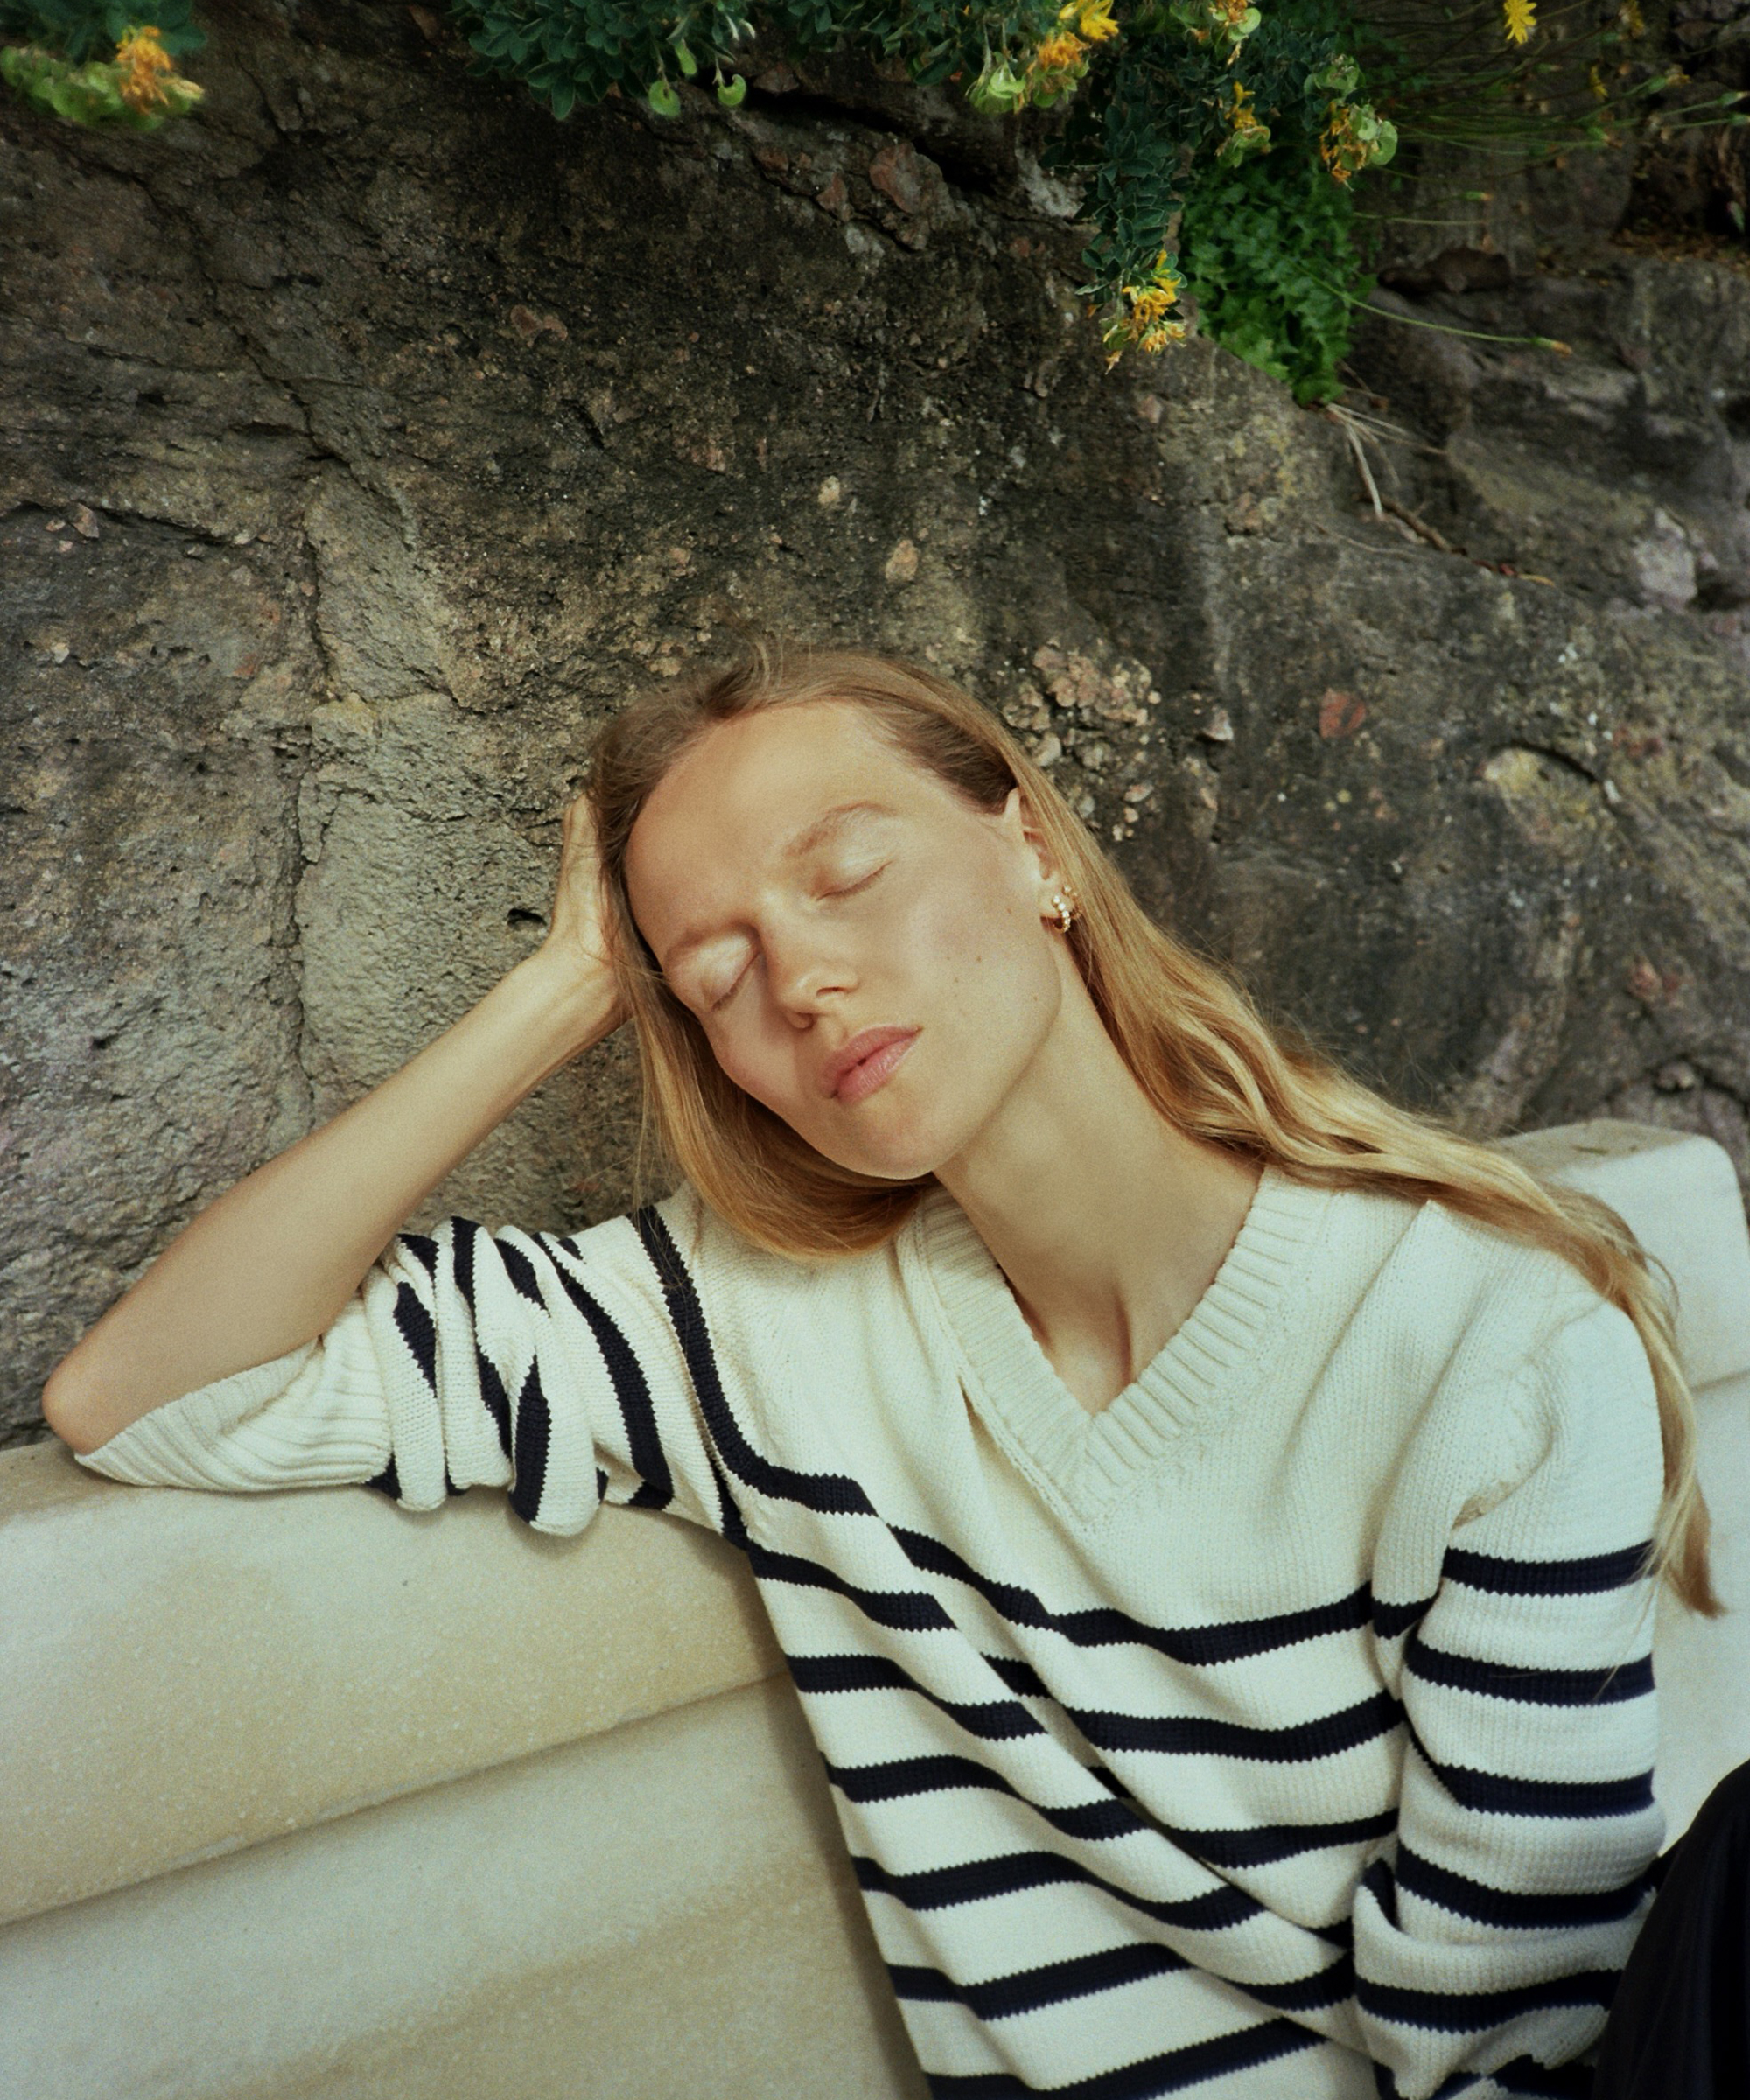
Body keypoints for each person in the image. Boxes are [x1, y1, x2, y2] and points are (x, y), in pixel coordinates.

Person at [40, 641, 1731, 2099]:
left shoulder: (1483, 1342)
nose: (801, 977)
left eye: (846, 877)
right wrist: (560, 990)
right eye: (711, 979)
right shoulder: (752, 1326)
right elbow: (150, 1395)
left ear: (1031, 850)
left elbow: (1504, 2040)